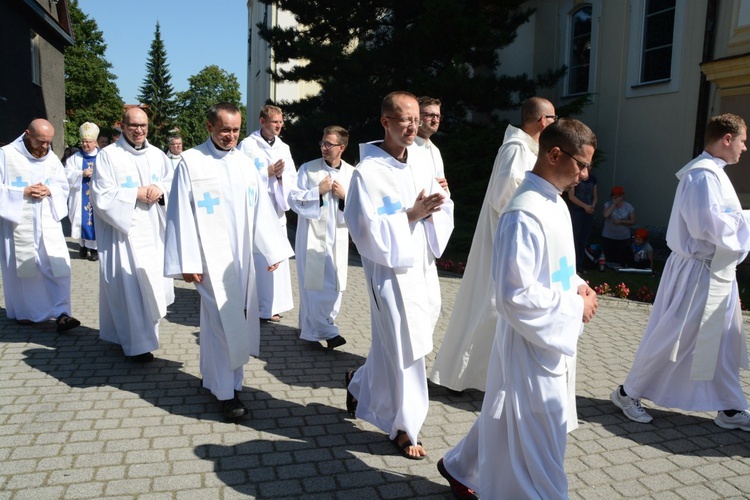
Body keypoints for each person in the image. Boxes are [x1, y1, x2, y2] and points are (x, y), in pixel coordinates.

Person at [437, 118, 598, 499]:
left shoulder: (553, 201)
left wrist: (578, 285)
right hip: (529, 343)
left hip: (549, 337)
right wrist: (575, 307)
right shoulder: (523, 212)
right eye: (581, 164)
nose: (586, 174)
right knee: (539, 437)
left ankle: (460, 465)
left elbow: (557, 265)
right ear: (555, 154)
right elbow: (514, 295)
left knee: (510, 415)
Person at [611, 113, 750, 431]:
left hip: (717, 271)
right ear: (727, 138)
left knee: (723, 339)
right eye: (742, 140)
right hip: (697, 270)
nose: (744, 148)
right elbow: (707, 225)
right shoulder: (701, 175)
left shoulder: (715, 173)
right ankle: (627, 392)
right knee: (673, 334)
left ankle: (729, 407)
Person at [164, 102, 294, 420]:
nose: (231, 136)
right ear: (209, 127)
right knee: (225, 321)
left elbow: (261, 209)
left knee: (223, 322)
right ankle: (228, 393)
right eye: (225, 130)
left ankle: (216, 378)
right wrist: (187, 260)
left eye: (235, 130)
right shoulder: (192, 162)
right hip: (209, 259)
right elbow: (179, 213)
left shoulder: (246, 165)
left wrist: (272, 249)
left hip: (241, 260)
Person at [343, 91, 454, 460]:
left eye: (416, 119)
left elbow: (439, 204)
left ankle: (358, 384)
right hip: (388, 271)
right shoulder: (367, 173)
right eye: (404, 119)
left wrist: (440, 202)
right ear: (385, 122)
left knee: (402, 340)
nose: (413, 126)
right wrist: (410, 214)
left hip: (421, 267)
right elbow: (362, 230)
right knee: (405, 347)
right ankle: (405, 426)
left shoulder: (421, 160)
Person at [430, 96, 556, 393]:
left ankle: (486, 377)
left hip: (513, 240)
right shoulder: (516, 149)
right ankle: (462, 375)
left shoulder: (527, 148)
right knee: (489, 308)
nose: (556, 123)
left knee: (496, 310)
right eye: (553, 118)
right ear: (542, 121)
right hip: (505, 240)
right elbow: (504, 194)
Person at [91, 107, 174, 362]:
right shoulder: (108, 156)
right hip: (123, 234)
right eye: (133, 126)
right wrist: (134, 194)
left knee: (151, 285)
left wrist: (159, 189)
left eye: (143, 126)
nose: (139, 130)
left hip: (153, 230)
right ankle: (136, 345)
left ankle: (146, 337)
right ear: (122, 127)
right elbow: (101, 194)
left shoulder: (159, 155)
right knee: (128, 289)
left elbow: (172, 182)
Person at [0, 119, 80, 331]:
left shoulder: (51, 158)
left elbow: (62, 185)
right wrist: (22, 192)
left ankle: (62, 313)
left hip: (47, 222)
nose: (45, 147)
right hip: (18, 223)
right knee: (26, 269)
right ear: (27, 134)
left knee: (59, 267)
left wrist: (50, 190)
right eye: (40, 142)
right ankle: (26, 312)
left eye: (48, 143)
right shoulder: (6, 155)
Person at [289, 126, 354, 350]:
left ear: (341, 147)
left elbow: (363, 207)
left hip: (338, 238)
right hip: (311, 238)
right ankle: (327, 331)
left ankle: (313, 330)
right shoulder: (308, 169)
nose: (324, 148)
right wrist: (317, 191)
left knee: (335, 285)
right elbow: (294, 200)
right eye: (323, 143)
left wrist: (345, 197)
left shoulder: (352, 174)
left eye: (329, 144)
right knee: (313, 286)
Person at [238, 105, 296, 322]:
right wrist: (267, 173)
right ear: (262, 122)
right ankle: (250, 304)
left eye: (281, 122)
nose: (279, 126)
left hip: (276, 210)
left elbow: (292, 176)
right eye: (274, 122)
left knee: (277, 257)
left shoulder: (284, 147)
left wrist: (280, 178)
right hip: (255, 212)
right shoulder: (248, 146)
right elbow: (241, 176)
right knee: (258, 258)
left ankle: (272, 305)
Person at [64, 121, 100, 262]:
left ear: (95, 142)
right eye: (83, 141)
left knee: (95, 220)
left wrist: (96, 174)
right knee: (80, 220)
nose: (85, 144)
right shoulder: (75, 158)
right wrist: (81, 173)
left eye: (88, 142)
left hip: (97, 195)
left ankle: (95, 249)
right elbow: (66, 174)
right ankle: (83, 246)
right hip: (80, 195)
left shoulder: (103, 156)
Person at [414, 96, 448, 191]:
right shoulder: (403, 147)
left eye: (438, 116)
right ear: (416, 116)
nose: (435, 120)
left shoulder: (435, 151)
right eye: (430, 115)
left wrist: (444, 188)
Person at [567, 167, 598, 272]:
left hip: (589, 212)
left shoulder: (593, 179)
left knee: (584, 241)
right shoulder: (575, 178)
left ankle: (582, 264)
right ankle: (574, 266)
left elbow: (595, 196)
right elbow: (571, 196)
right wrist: (585, 206)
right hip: (577, 212)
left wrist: (592, 206)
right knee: (576, 239)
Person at [601, 185, 636, 268]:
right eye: (614, 195)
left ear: (622, 196)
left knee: (620, 258)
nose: (615, 197)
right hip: (608, 235)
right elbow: (605, 215)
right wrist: (614, 204)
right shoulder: (608, 204)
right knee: (609, 257)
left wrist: (621, 222)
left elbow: (633, 221)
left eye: (618, 195)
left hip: (622, 236)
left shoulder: (628, 206)